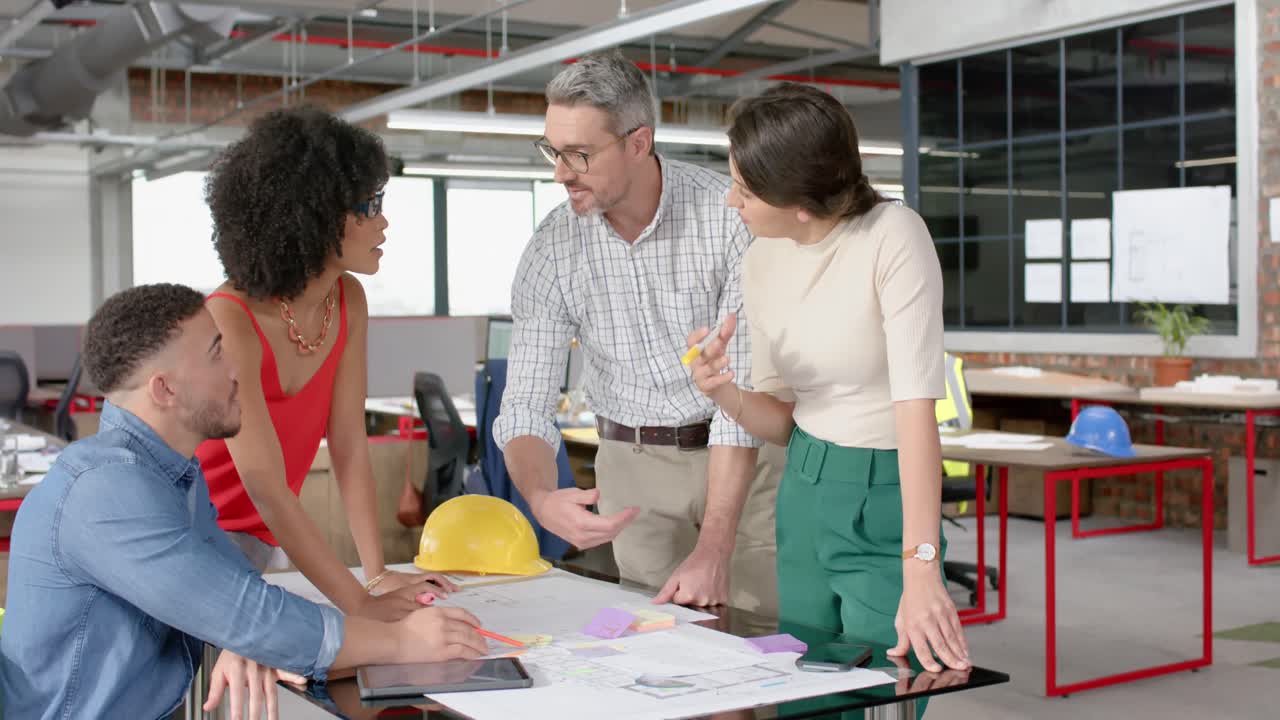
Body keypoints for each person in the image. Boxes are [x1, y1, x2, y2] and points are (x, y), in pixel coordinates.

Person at [0, 284, 487, 720]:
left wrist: (245, 635)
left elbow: (233, 591)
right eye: (217, 354)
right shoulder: (107, 491)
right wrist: (405, 641)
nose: (238, 368)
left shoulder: (172, 475)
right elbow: (248, 614)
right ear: (164, 389)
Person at [687, 83, 970, 681]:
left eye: (745, 188)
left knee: (888, 683)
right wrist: (723, 392)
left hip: (887, 488)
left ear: (802, 201)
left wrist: (921, 567)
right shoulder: (761, 258)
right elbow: (785, 422)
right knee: (808, 683)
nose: (730, 200)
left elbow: (917, 413)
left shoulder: (893, 235)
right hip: (805, 489)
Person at [492, 50, 783, 613]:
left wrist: (716, 546)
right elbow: (525, 405)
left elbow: (737, 395)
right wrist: (541, 495)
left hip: (745, 463)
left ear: (638, 142)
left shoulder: (730, 219)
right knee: (659, 661)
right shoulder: (552, 250)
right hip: (633, 470)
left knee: (760, 646)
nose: (559, 172)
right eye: (553, 151)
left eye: (579, 154)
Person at [198, 106, 437, 620]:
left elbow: (349, 445)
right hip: (191, 537)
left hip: (259, 542)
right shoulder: (229, 318)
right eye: (368, 206)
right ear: (310, 215)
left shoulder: (346, 299)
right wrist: (357, 603)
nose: (383, 221)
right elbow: (264, 485)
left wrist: (374, 575)